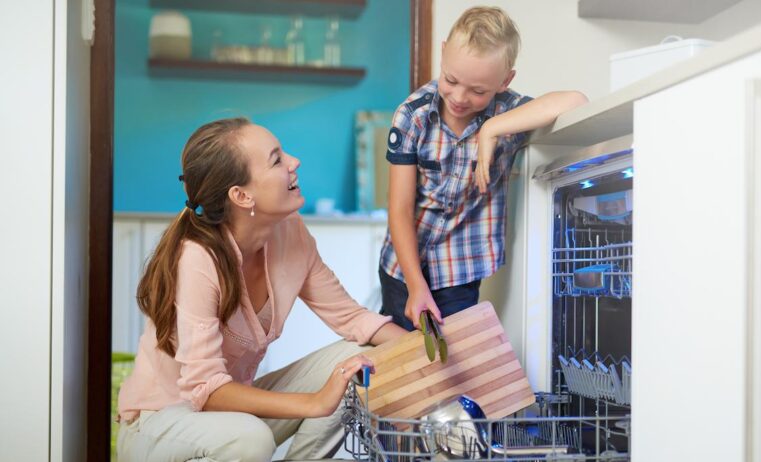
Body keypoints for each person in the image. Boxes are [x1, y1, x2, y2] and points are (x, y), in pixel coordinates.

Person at [116, 117, 406, 462]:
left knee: (357, 360)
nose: (294, 162)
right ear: (241, 195)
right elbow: (205, 390)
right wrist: (314, 403)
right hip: (161, 424)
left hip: (226, 415)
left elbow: (352, 318)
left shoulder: (290, 232)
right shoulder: (197, 258)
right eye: (277, 159)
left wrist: (433, 352)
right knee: (251, 438)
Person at [379, 6, 589, 331]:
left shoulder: (507, 112)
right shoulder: (412, 116)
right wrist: (415, 284)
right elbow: (399, 209)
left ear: (505, 80)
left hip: (459, 272)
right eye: (451, 80)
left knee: (453, 362)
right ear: (443, 52)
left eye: (478, 91)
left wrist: (492, 129)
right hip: (402, 268)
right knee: (400, 359)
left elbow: (576, 100)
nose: (460, 97)